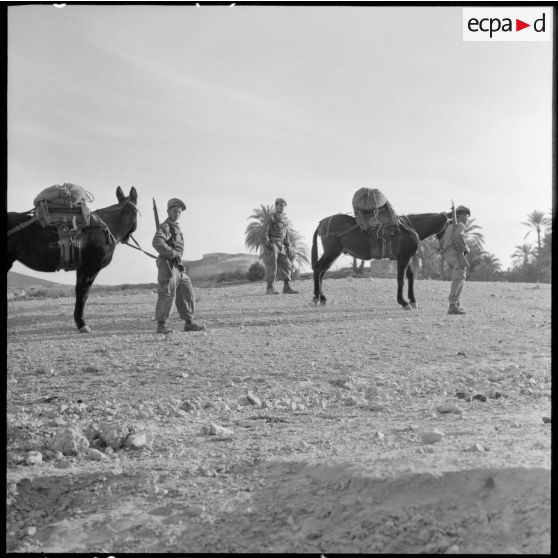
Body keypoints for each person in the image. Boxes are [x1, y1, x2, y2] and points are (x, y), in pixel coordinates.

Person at [152, 198, 206, 334]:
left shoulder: (175, 227)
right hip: (168, 265)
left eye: (179, 212)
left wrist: (177, 257)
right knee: (166, 293)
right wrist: (172, 253)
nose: (177, 213)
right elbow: (157, 242)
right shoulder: (166, 226)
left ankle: (189, 323)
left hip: (177, 266)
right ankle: (162, 325)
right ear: (168, 211)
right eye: (175, 211)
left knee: (187, 290)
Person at [262, 197, 299, 295]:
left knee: (286, 264)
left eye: (284, 206)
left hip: (281, 245)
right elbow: (264, 231)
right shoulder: (271, 217)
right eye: (280, 205)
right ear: (276, 205)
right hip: (272, 243)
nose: (282, 207)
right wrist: (267, 243)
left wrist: (288, 246)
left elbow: (285, 234)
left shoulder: (284, 219)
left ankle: (286, 287)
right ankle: (269, 288)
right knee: (271, 265)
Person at [440, 205, 471, 315]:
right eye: (466, 216)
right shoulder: (461, 225)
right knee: (459, 278)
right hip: (456, 254)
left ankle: (456, 303)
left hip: (449, 254)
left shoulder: (449, 226)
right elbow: (458, 236)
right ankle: (453, 305)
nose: (467, 219)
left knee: (457, 278)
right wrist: (465, 248)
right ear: (462, 216)